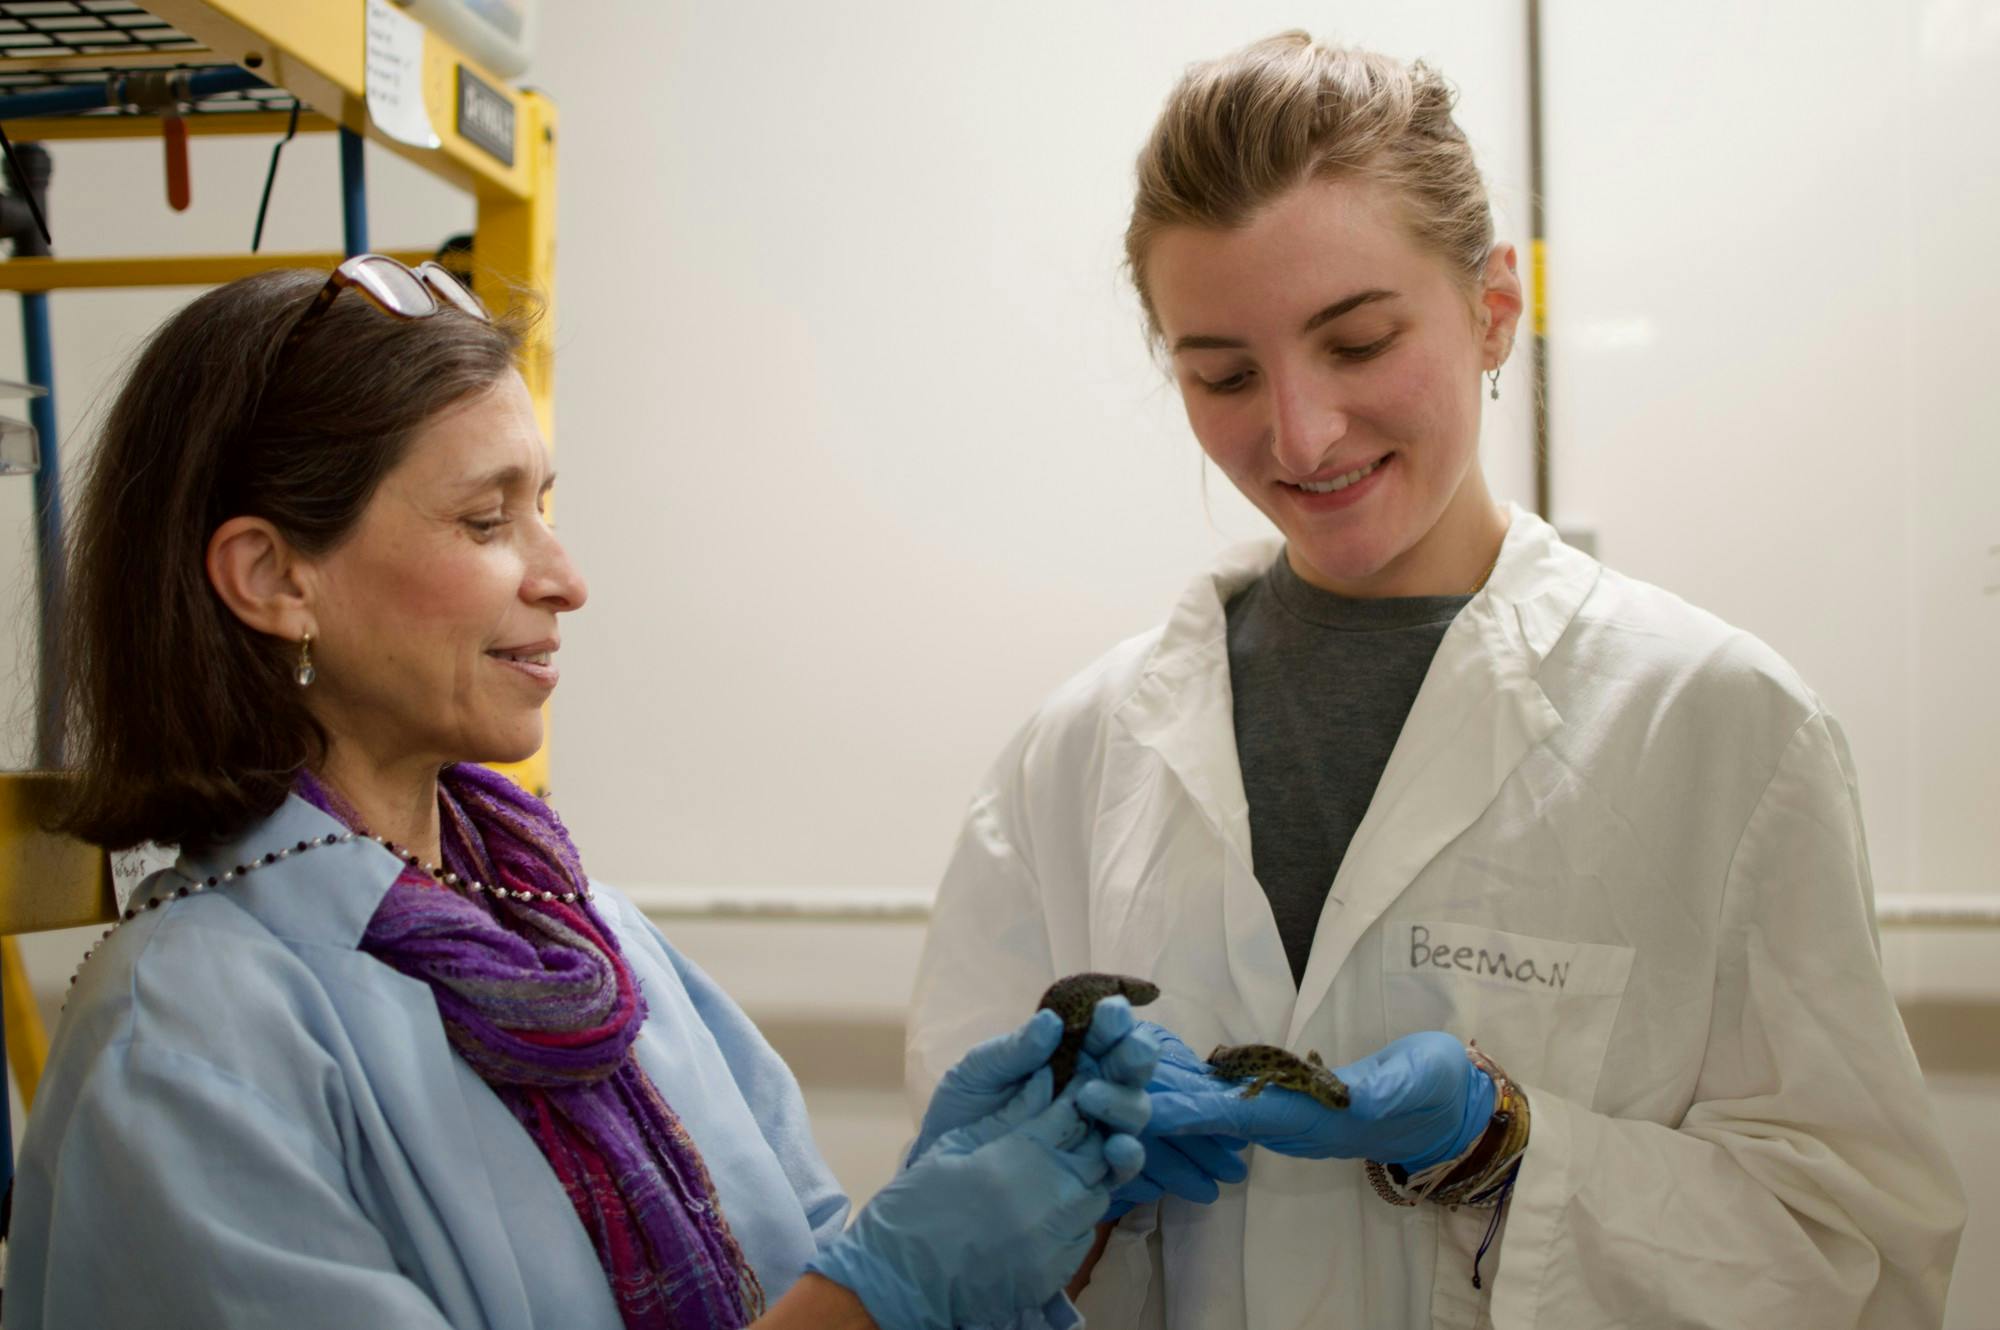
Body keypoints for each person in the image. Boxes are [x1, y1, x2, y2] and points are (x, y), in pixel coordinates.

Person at [905, 32, 1965, 1329]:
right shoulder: (1073, 760)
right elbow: (951, 1249)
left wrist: (1503, 1141)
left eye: (1356, 342)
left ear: (1492, 307)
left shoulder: (1720, 727)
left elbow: (1862, 1257)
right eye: (1223, 373)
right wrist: (1056, 1207)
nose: (1299, 432)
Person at [6, 258, 1168, 1330]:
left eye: (544, 504)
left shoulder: (580, 932)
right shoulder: (188, 1033)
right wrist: (899, 1282)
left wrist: (985, 1219)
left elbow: (798, 1270)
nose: (564, 576)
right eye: (484, 518)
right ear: (273, 577)